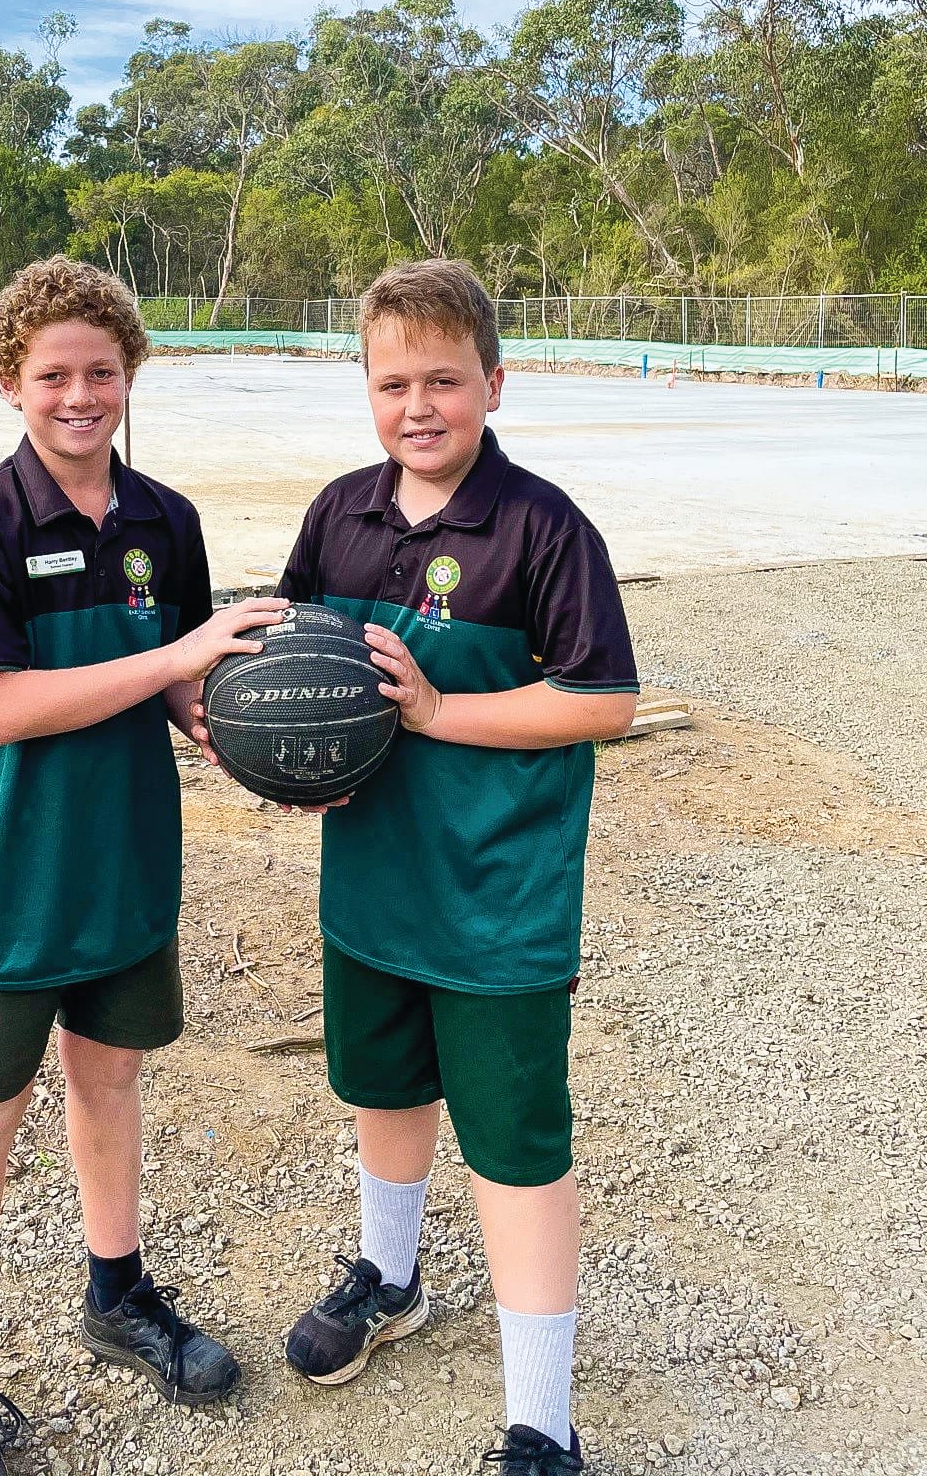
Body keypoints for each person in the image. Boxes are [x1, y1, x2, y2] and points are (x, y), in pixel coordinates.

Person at [259, 259, 638, 1475]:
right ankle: (392, 1276)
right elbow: (288, 661)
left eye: (444, 380)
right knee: (385, 1094)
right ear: (363, 389)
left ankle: (541, 1420)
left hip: (496, 902)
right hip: (372, 885)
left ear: (494, 382)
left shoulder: (542, 528)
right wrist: (246, 724)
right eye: (391, 383)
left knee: (517, 1148)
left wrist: (435, 713)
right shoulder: (340, 516)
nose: (417, 406)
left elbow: (604, 702)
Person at [0, 256, 285, 1475]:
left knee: (110, 1086)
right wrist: (175, 648)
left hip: (124, 863)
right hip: (10, 875)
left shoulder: (162, 522)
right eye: (53, 374)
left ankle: (116, 1295)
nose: (81, 394)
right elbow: (4, 710)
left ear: (131, 372)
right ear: (10, 384)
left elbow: (177, 684)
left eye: (102, 370)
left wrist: (251, 738)